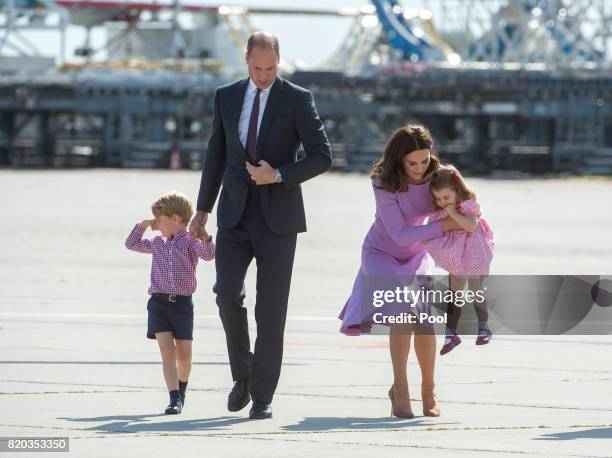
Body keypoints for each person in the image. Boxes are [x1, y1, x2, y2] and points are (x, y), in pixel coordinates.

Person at [189, 31, 332, 419]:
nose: (264, 76)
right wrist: (202, 210)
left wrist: (281, 174)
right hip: (233, 217)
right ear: (246, 59)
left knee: (271, 312)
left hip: (278, 221)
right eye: (257, 68)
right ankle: (243, 375)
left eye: (270, 69)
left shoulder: (298, 99)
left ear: (279, 60)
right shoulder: (226, 96)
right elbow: (215, 156)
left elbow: (322, 157)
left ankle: (264, 395)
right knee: (226, 295)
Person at [339, 124, 462, 418]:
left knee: (424, 320)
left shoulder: (439, 175)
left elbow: (465, 203)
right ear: (398, 160)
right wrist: (445, 224)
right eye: (412, 163)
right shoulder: (383, 182)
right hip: (381, 253)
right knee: (401, 315)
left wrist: (470, 222)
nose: (420, 168)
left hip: (417, 252)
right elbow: (399, 234)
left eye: (424, 160)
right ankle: (400, 389)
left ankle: (428, 389)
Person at [125, 191, 215, 414]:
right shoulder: (157, 242)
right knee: (167, 351)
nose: (156, 225)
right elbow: (131, 244)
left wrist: (204, 237)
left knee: (184, 356)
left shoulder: (190, 241)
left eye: (159, 220)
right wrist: (143, 224)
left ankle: (181, 390)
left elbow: (209, 254)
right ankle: (173, 398)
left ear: (175, 219)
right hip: (158, 304)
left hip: (182, 305)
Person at [423, 164, 495, 355]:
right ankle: (451, 334)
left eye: (446, 197)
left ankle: (484, 328)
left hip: (474, 252)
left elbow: (471, 226)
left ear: (457, 190)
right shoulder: (441, 208)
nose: (442, 202)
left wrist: (453, 213)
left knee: (475, 291)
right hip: (456, 254)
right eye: (438, 198)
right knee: (454, 294)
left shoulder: (467, 204)